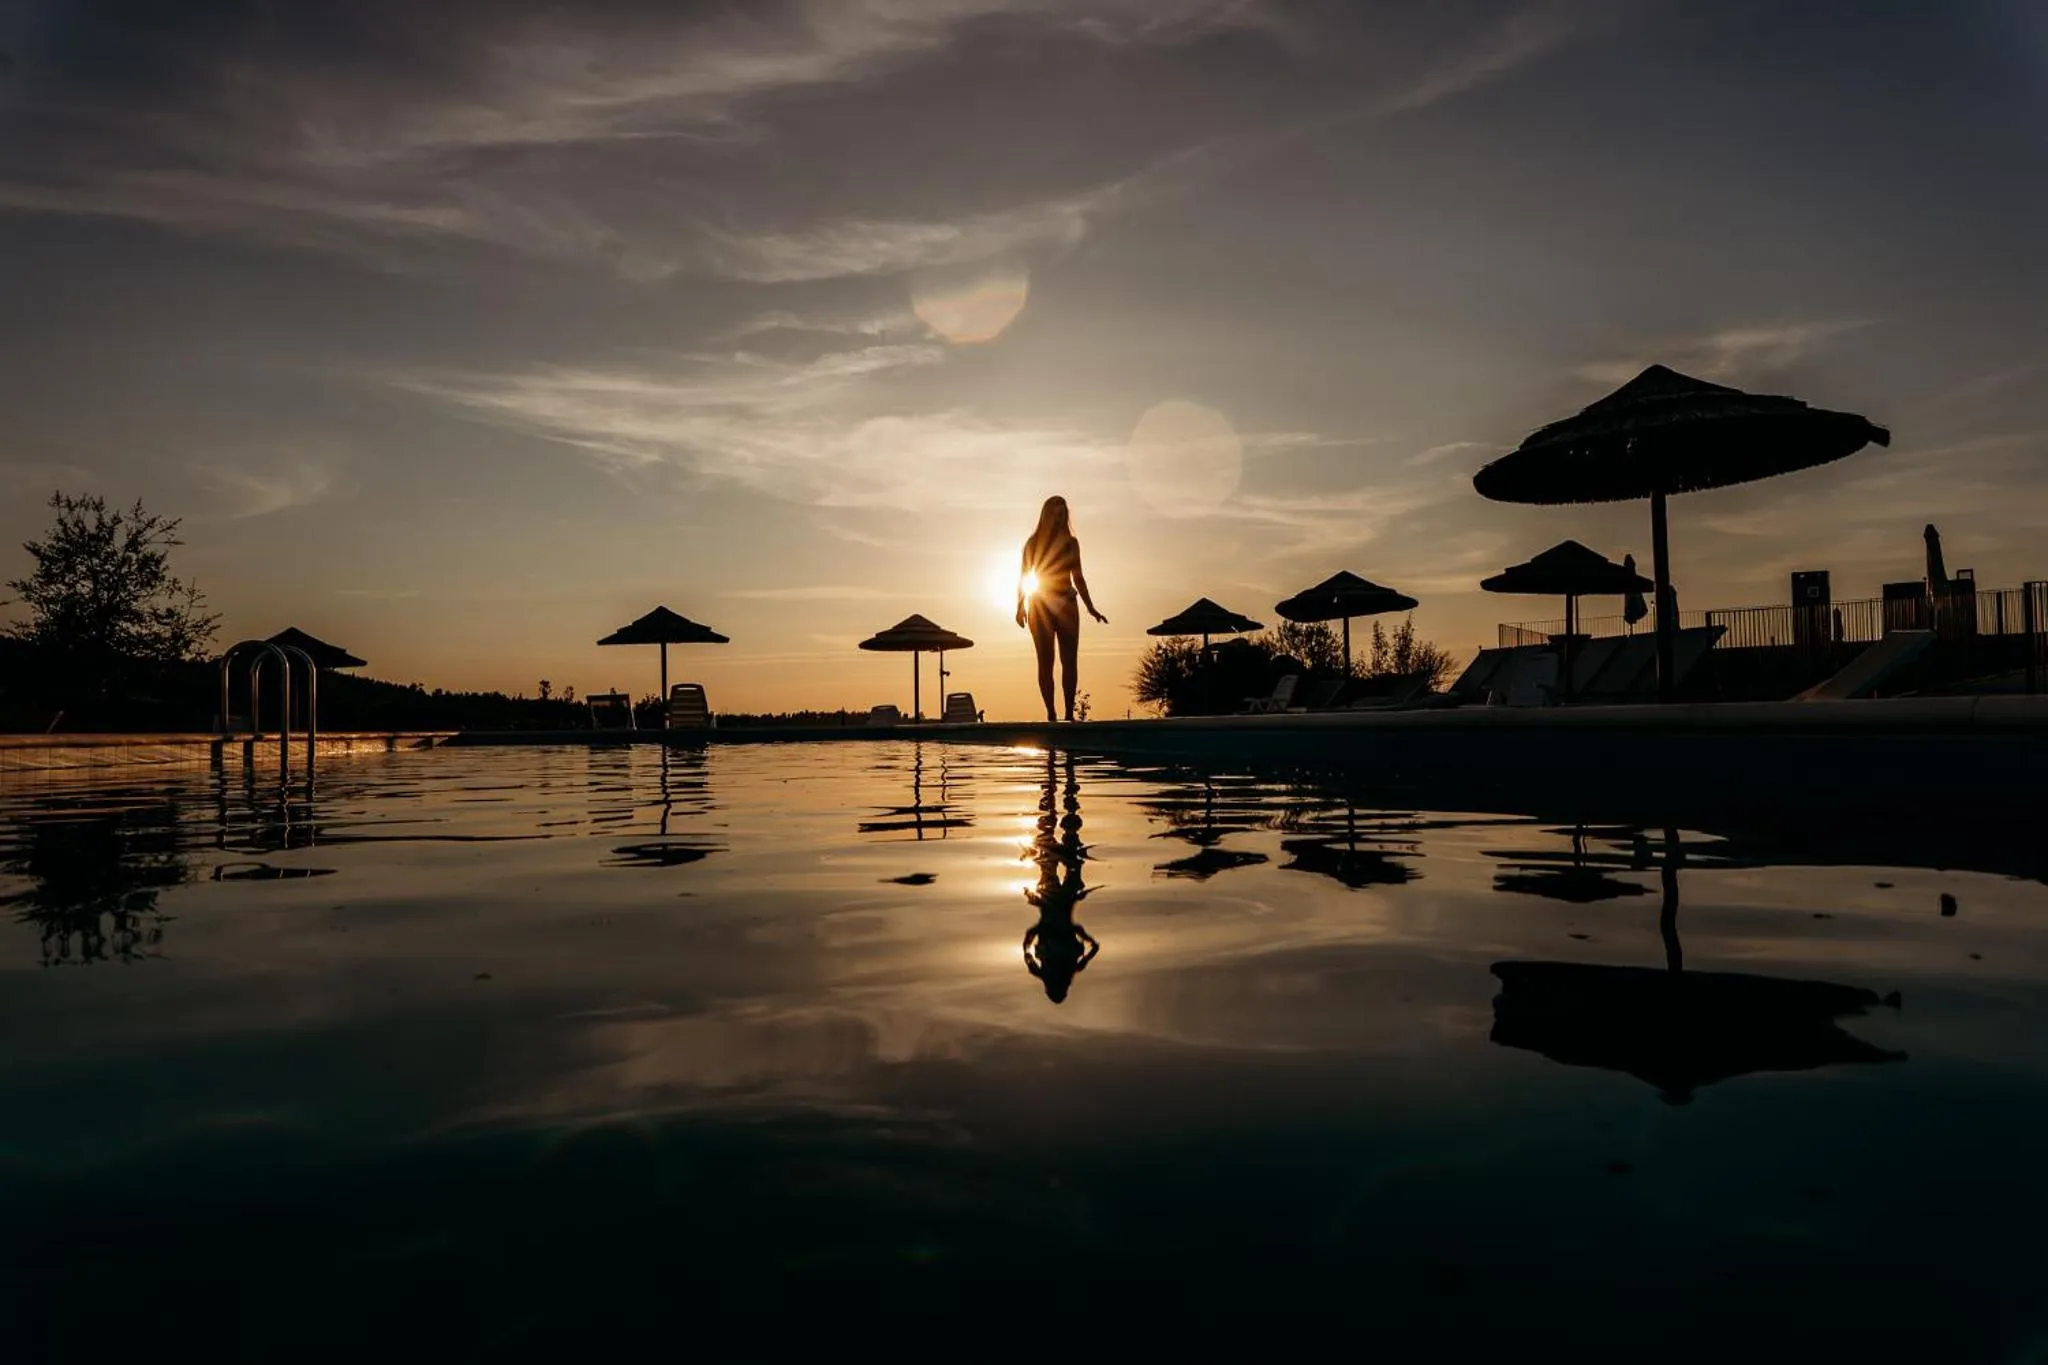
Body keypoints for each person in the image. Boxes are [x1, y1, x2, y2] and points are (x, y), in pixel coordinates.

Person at [1014, 495, 1107, 724]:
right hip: (1040, 605)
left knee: (1069, 661)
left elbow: (1078, 578)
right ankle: (1051, 715)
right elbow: (1024, 577)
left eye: (1062, 515)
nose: (1058, 519)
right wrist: (1019, 606)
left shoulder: (1071, 543)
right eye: (1054, 515)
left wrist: (1091, 607)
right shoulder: (1033, 543)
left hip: (1067, 603)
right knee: (1045, 662)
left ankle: (1068, 713)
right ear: (1046, 516)